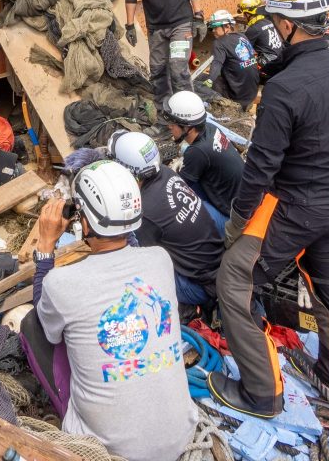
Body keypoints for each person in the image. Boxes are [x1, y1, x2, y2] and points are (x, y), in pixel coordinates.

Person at [209, 0, 329, 416]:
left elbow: (261, 166)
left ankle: (263, 393)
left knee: (234, 282)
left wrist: (239, 220)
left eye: (276, 22)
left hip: (294, 205)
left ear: (286, 25)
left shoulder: (284, 88)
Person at [20, 162, 198, 461]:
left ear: (85, 223)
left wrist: (47, 243)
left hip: (112, 451)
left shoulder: (62, 283)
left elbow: (43, 315)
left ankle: (68, 411)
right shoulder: (160, 259)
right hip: (181, 436)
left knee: (32, 324)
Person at [112, 131, 224, 311]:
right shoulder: (165, 173)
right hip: (217, 262)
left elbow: (137, 258)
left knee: (133, 277)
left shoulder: (145, 211)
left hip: (200, 287)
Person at [163, 90, 243, 227]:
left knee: (177, 206)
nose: (169, 126)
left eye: (173, 123)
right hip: (239, 200)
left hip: (229, 218)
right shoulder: (210, 128)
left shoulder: (198, 152)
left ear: (187, 127)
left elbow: (176, 187)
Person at [198, 9, 260, 107]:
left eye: (215, 27)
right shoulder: (242, 36)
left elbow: (217, 63)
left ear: (227, 26)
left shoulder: (219, 43)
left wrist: (210, 80)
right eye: (211, 28)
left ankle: (225, 105)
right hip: (252, 94)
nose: (213, 31)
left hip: (236, 97)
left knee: (197, 80)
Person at [237, 0, 284, 76]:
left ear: (248, 14)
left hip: (270, 64)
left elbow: (243, 52)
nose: (243, 16)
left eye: (244, 14)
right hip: (280, 58)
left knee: (242, 63)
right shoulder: (267, 21)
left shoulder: (253, 29)